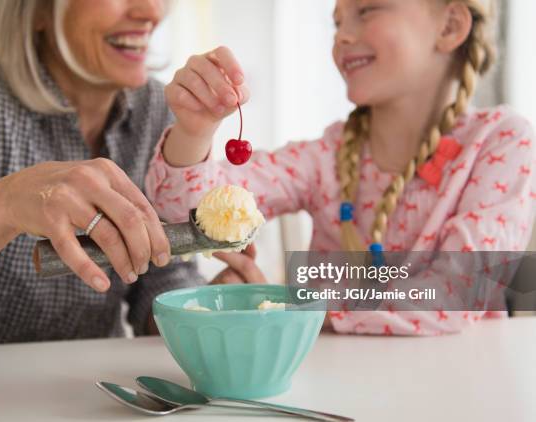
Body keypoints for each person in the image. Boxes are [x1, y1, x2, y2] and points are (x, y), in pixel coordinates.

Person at [145, 0, 536, 335]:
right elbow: (190, 214)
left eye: (366, 10)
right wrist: (195, 131)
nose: (342, 36)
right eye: (337, 21)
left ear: (449, 26)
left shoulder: (501, 141)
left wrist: (288, 306)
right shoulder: (325, 156)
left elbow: (456, 292)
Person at [0, 0, 264, 352]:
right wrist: (1, 206)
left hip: (95, 388)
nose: (151, 12)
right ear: (38, 10)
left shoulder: (155, 107)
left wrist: (199, 311)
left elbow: (158, 277)